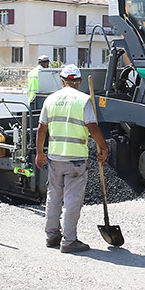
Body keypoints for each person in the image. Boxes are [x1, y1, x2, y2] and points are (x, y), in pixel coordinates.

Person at [35, 64, 109, 253]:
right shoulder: (84, 100)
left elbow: (42, 128)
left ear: (62, 80)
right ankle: (69, 241)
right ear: (79, 81)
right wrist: (104, 148)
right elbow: (92, 127)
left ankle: (52, 235)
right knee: (72, 200)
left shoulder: (50, 100)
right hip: (75, 158)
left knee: (53, 196)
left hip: (55, 157)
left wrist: (39, 153)